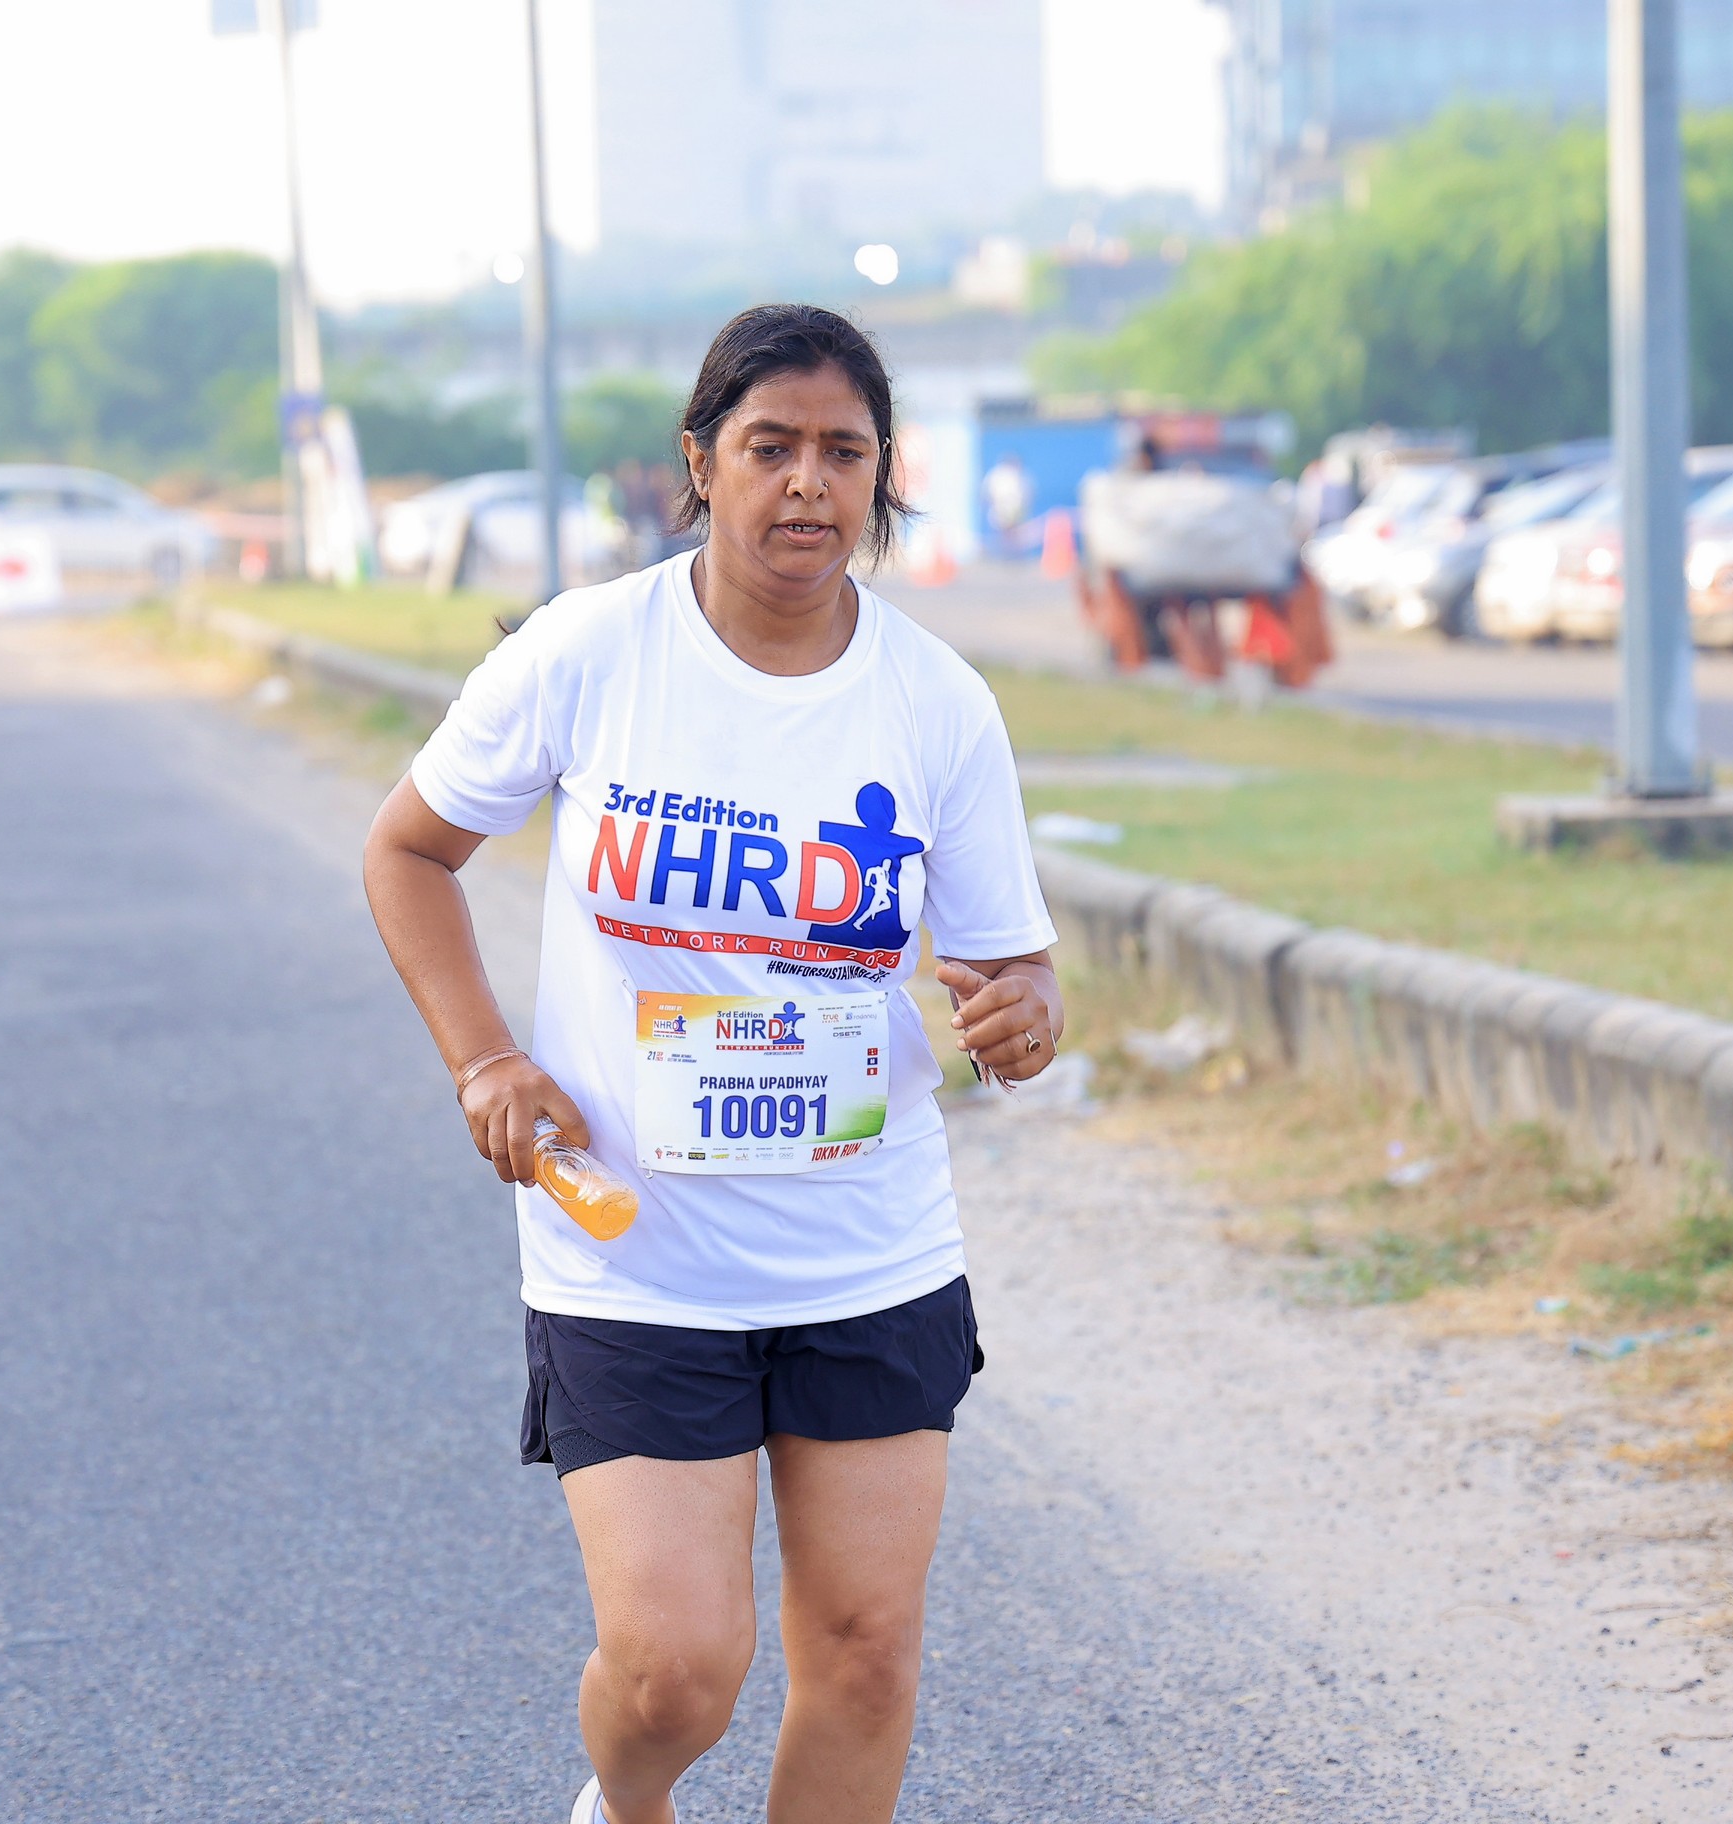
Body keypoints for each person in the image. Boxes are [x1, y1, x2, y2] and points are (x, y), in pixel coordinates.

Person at [364, 304, 1064, 1824]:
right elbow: (408, 852)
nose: (808, 483)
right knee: (676, 1673)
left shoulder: (937, 700)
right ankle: (624, 1807)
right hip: (635, 1248)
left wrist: (1022, 1016)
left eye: (845, 452)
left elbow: (1014, 970)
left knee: (864, 1657)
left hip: (867, 1248)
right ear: (701, 461)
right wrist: (485, 1062)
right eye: (771, 446)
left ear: (882, 475)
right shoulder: (589, 651)